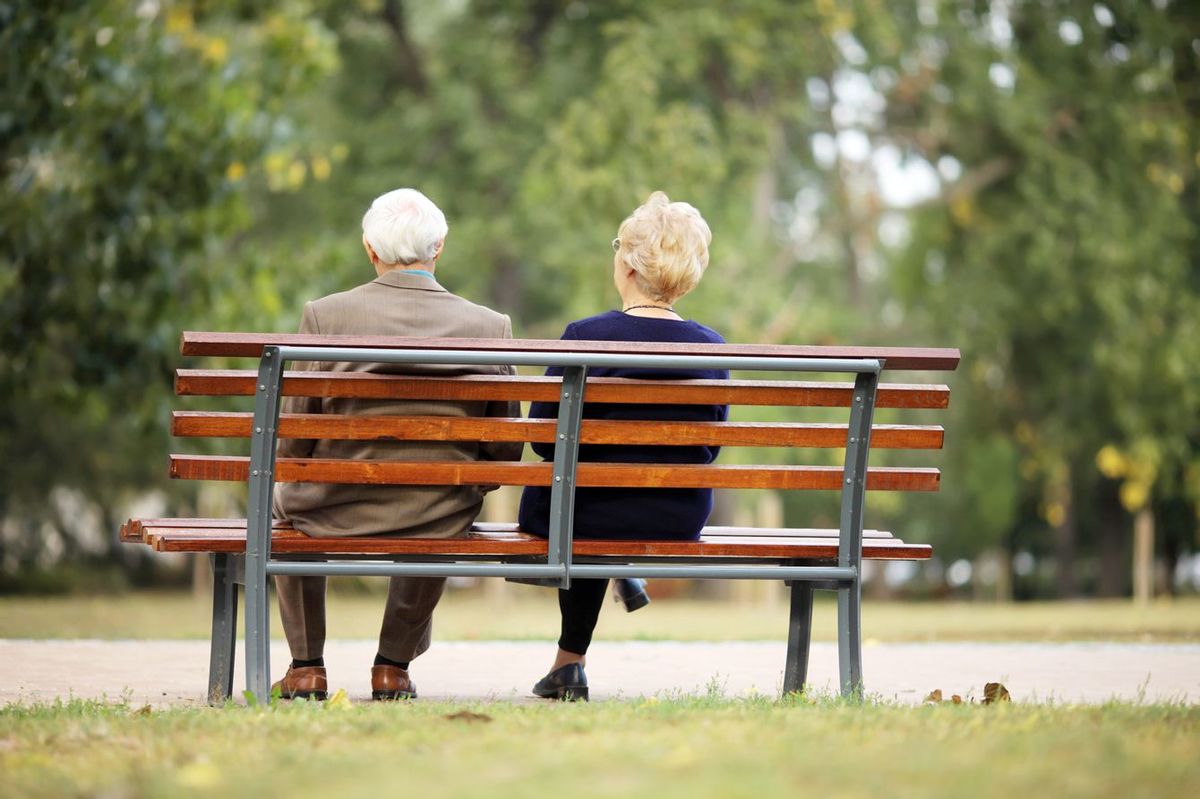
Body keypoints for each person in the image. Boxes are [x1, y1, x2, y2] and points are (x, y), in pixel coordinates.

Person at [271, 188, 522, 701]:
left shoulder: (325, 317)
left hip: (332, 509)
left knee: (283, 506)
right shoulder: (489, 326)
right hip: (437, 510)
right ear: (439, 248)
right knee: (434, 508)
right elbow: (503, 454)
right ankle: (392, 666)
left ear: (370, 249)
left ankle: (306, 667)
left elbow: (293, 445)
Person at [517, 191, 728, 701]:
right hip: (674, 514)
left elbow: (543, 440)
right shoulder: (712, 348)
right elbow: (708, 451)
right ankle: (613, 583)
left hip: (582, 512)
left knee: (579, 496)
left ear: (629, 266)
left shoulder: (585, 335)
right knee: (601, 496)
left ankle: (572, 660)